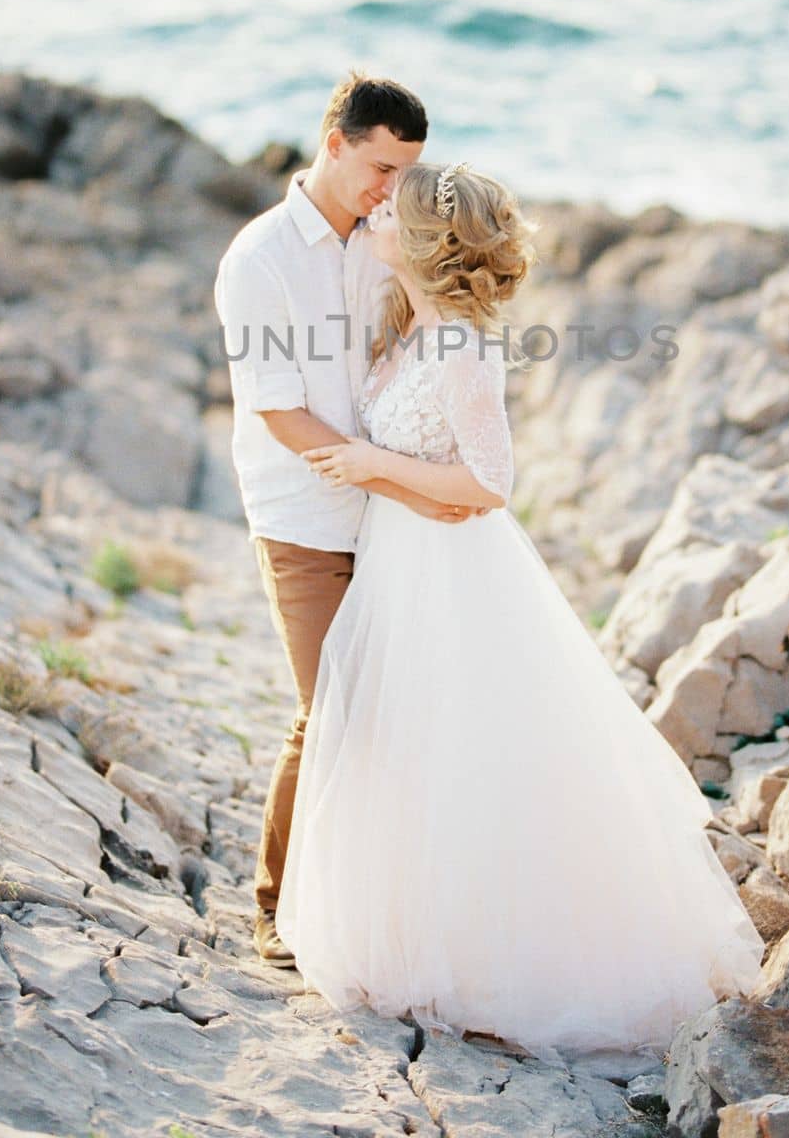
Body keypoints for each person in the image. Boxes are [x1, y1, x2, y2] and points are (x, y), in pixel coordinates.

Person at [274, 160, 767, 1059]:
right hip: (401, 559)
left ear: (422, 241)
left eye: (391, 208)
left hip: (455, 570)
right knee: (410, 747)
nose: (376, 210)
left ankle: (493, 961)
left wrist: (373, 466)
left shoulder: (461, 347)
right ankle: (419, 935)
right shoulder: (406, 328)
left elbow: (490, 484)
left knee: (470, 751)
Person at [213, 75, 490, 970]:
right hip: (305, 514)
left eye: (404, 173)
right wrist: (385, 478)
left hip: (395, 520)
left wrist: (410, 483)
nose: (389, 190)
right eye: (379, 167)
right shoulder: (259, 260)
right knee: (326, 711)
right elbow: (278, 412)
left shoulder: (384, 244)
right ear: (333, 142)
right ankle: (274, 906)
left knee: (390, 715)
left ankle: (368, 902)